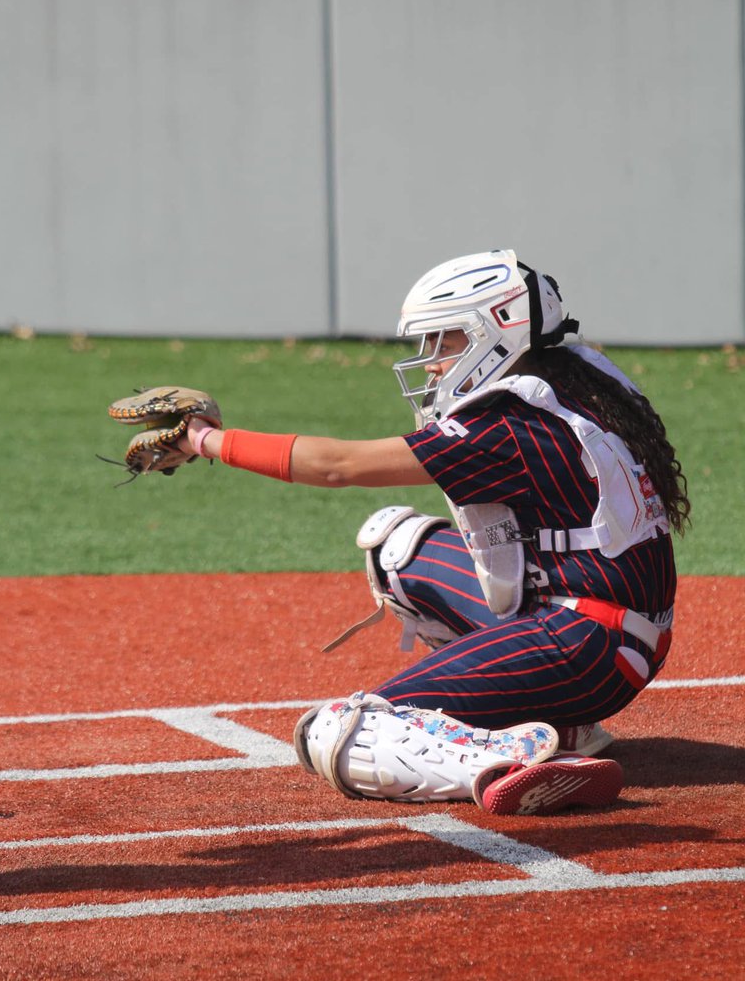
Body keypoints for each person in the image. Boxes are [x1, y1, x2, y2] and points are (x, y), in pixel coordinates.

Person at [179, 250, 689, 816]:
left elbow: (337, 466)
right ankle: (561, 725)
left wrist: (203, 440)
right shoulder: (575, 374)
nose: (430, 362)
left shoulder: (509, 423)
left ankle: (508, 760)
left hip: (587, 643)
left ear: (498, 329)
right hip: (603, 621)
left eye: (445, 340)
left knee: (340, 732)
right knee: (395, 547)